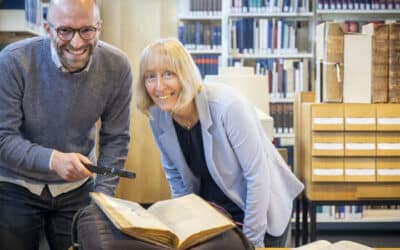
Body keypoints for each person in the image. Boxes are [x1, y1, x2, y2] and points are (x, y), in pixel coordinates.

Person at [134, 38, 304, 248]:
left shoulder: (227, 106)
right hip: (215, 215)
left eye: (168, 74)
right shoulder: (158, 115)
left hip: (260, 212)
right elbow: (176, 177)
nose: (159, 86)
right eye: (150, 77)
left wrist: (251, 242)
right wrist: (186, 226)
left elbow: (257, 176)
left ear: (185, 74)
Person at [0, 0, 132, 249]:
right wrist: (52, 160)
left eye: (86, 30)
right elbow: (3, 138)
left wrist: (102, 198)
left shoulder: (118, 66)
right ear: (47, 28)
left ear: (99, 27)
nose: (77, 42)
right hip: (16, 184)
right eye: (65, 31)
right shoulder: (13, 61)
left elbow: (116, 139)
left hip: (78, 188)